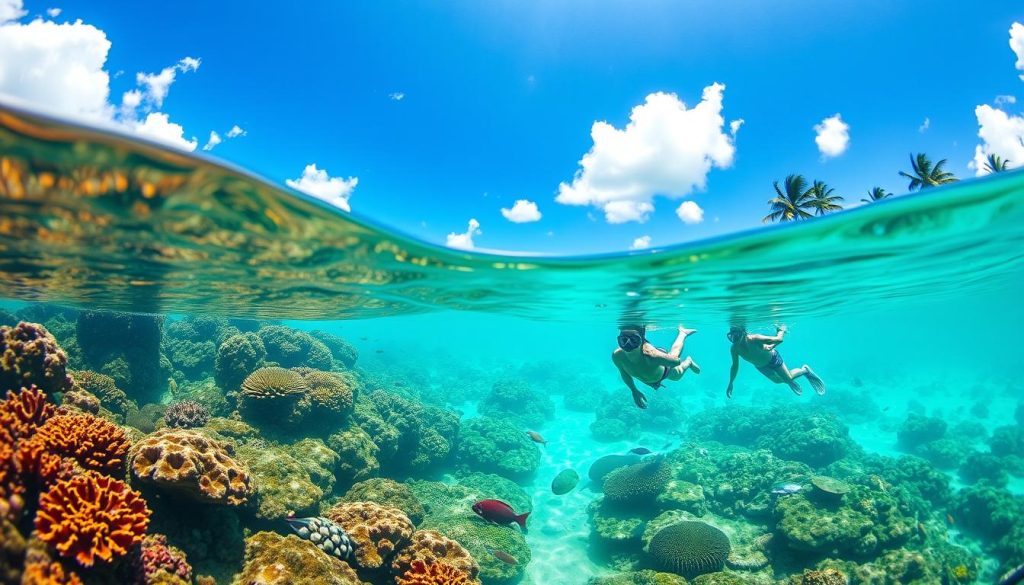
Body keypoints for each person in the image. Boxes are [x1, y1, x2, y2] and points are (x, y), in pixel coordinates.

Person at [612, 324, 701, 409]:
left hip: (664, 370)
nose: (628, 344)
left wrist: (666, 358)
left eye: (634, 340)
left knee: (678, 374)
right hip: (651, 373)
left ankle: (684, 339)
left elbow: (676, 362)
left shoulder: (653, 357)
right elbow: (624, 373)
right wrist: (634, 390)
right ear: (618, 340)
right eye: (623, 340)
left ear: (641, 340)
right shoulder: (617, 356)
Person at [725, 324, 825, 398]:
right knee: (778, 381)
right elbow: (735, 366)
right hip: (761, 367)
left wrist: (775, 341)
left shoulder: (755, 339)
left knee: (788, 378)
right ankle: (787, 379)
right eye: (732, 335)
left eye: (736, 334)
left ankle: (805, 370)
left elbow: (779, 339)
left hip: (773, 359)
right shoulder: (734, 348)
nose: (734, 338)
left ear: (743, 333)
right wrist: (731, 383)